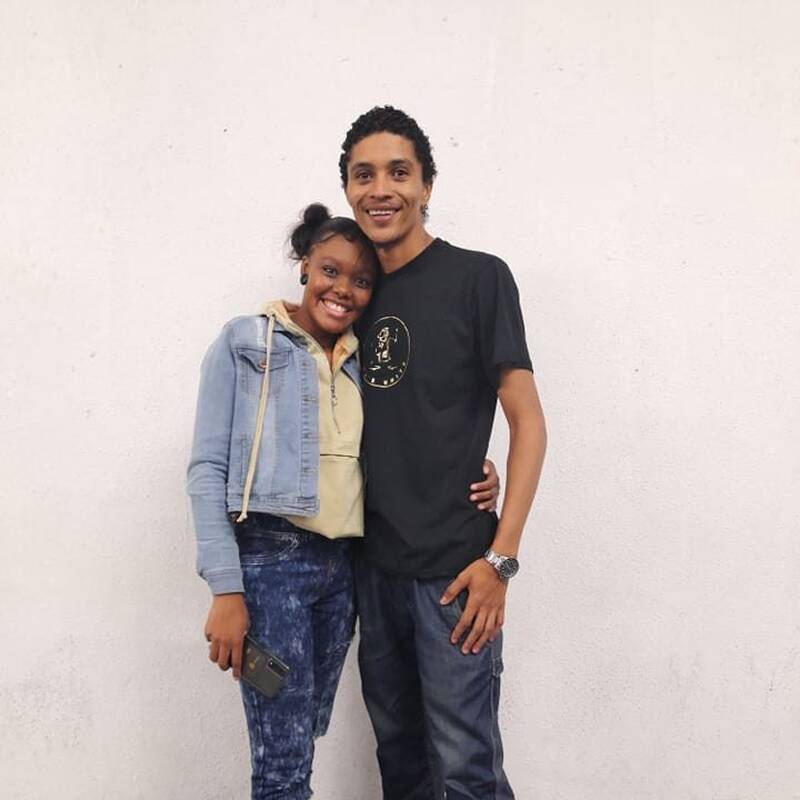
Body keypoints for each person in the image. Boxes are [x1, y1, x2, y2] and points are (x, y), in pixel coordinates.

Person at [187, 203, 499, 800]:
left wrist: (476, 470)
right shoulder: (246, 341)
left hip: (345, 570)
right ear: (305, 264)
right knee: (281, 758)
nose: (343, 290)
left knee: (303, 732)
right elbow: (207, 470)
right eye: (330, 270)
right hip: (271, 567)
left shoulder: (363, 356)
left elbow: (408, 435)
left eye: (361, 280)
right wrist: (226, 588)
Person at [339, 106, 548, 799]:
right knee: (400, 764)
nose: (381, 189)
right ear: (348, 190)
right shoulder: (351, 295)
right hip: (375, 572)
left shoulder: (478, 278)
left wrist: (501, 560)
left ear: (426, 185)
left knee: (465, 770)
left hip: (455, 576)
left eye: (399, 172)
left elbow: (528, 422)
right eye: (364, 174)